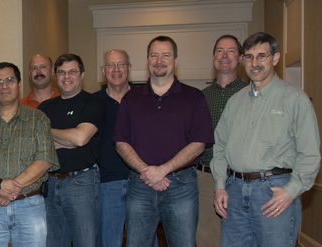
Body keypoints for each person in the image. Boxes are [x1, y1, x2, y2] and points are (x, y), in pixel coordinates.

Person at [212, 32, 320, 247]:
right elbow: (220, 146)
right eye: (249, 57)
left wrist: (291, 192)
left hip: (273, 192)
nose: (255, 63)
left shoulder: (294, 99)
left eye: (262, 56)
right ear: (243, 61)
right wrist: (220, 185)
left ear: (276, 58)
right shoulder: (235, 102)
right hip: (233, 191)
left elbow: (309, 154)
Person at [114, 36, 214, 247]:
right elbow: (121, 142)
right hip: (140, 184)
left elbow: (198, 144)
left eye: (166, 55)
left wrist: (163, 170)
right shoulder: (131, 98)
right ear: (147, 60)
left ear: (176, 60)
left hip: (181, 186)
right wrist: (147, 171)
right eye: (154, 55)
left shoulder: (194, 97)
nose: (159, 60)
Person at [0, 62, 58, 247]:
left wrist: (8, 190)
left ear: (20, 84)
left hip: (29, 204)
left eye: (9, 80)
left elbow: (45, 159)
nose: (4, 86)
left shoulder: (38, 118)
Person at [38, 54, 104, 247]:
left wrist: (49, 133)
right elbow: (38, 145)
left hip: (82, 183)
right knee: (52, 242)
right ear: (55, 75)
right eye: (61, 72)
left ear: (82, 74)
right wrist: (69, 139)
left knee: (85, 242)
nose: (67, 76)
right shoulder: (46, 106)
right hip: (49, 182)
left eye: (72, 71)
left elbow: (80, 138)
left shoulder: (93, 103)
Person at [95, 49, 155, 247]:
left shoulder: (146, 98)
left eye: (121, 64)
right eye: (111, 65)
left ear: (129, 68)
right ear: (103, 70)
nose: (116, 69)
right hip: (106, 183)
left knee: (145, 240)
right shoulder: (93, 102)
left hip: (142, 180)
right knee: (108, 240)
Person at [196, 34, 249, 246]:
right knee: (206, 237)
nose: (224, 56)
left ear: (241, 58)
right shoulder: (200, 97)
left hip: (241, 179)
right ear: (213, 57)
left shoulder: (251, 93)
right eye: (220, 50)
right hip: (206, 177)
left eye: (231, 51)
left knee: (240, 236)